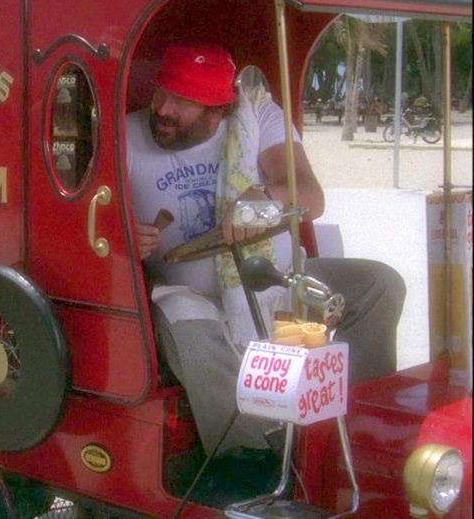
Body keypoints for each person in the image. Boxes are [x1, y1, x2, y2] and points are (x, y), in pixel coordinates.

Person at [127, 43, 404, 479]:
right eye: (162, 92)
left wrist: (263, 198)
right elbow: (86, 219)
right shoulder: (125, 135)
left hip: (274, 277)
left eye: (181, 102)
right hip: (187, 291)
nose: (161, 108)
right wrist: (124, 234)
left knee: (379, 285)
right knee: (193, 337)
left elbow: (310, 195)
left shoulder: (256, 119)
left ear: (218, 112)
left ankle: (355, 425)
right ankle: (255, 459)